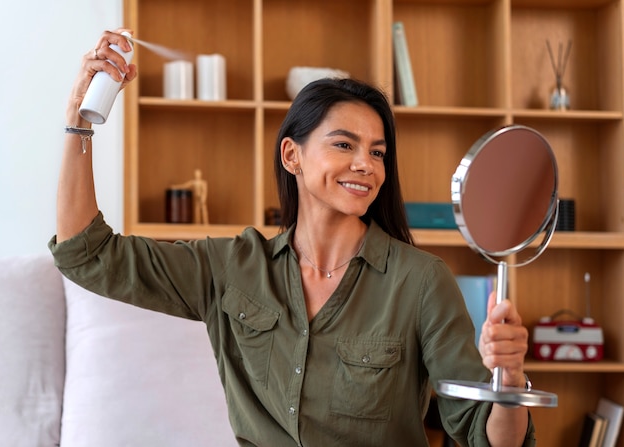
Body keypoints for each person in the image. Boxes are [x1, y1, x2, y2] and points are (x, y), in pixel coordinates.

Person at [50, 29, 535, 447]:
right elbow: (86, 255)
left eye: (378, 152)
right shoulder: (232, 267)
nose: (366, 164)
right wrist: (80, 117)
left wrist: (509, 379)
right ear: (292, 155)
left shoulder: (422, 282)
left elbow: (488, 437)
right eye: (344, 144)